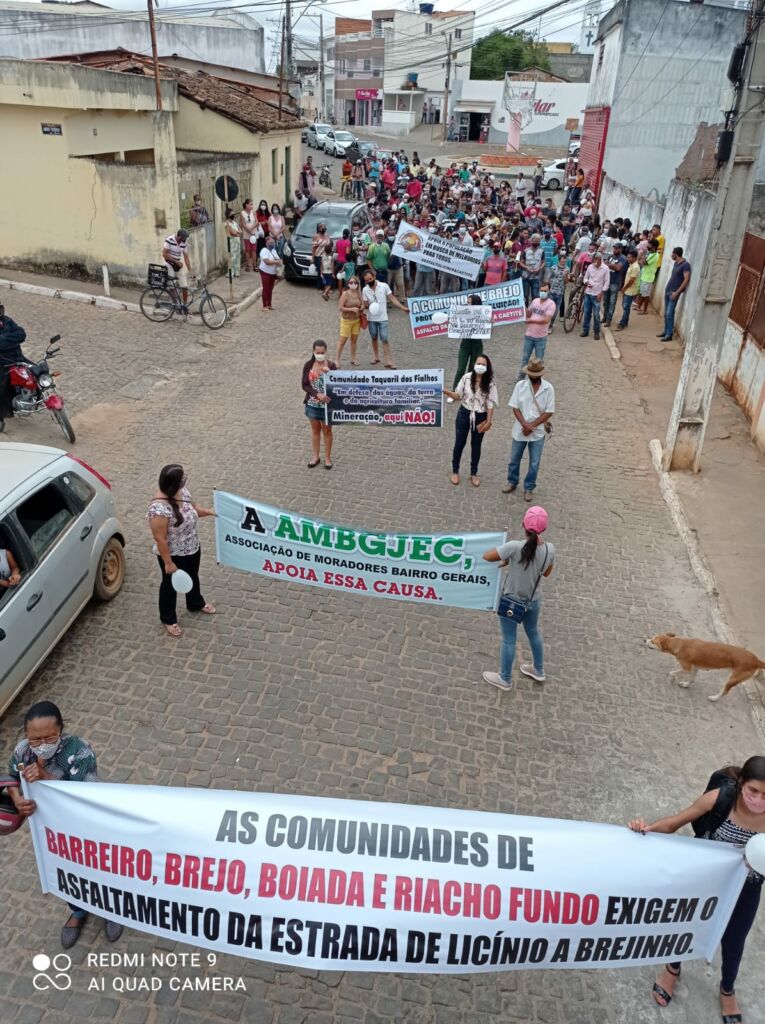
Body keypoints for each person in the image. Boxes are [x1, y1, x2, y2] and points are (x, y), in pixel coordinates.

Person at [628, 756, 765, 1022]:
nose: (758, 800)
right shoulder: (720, 799)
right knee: (685, 925)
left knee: (734, 942)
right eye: (753, 791)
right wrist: (646, 829)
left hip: (746, 888)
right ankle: (672, 968)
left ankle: (727, 990)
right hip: (704, 878)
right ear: (741, 784)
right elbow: (674, 823)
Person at [6, 700, 123, 949]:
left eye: (49, 737)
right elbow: (11, 776)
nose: (42, 745)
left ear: (61, 730)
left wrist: (47, 778)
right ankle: (78, 910)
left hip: (86, 827)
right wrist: (18, 799)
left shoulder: (79, 750)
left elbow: (86, 795)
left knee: (100, 868)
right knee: (66, 870)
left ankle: (112, 911)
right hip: (52, 831)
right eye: (35, 740)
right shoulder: (23, 751)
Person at [481, 506, 555, 691]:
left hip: (511, 601)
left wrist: (507, 559)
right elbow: (546, 573)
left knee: (508, 639)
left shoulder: (514, 547)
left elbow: (487, 556)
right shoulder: (549, 550)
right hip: (533, 601)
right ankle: (538, 669)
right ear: (544, 528)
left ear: (523, 525)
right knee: (533, 632)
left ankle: (505, 678)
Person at [146, 464, 216, 638]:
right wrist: (168, 563)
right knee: (169, 585)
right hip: (174, 554)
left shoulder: (183, 492)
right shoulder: (158, 509)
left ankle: (195, 602)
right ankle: (168, 619)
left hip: (192, 546)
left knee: (193, 575)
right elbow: (160, 538)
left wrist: (208, 512)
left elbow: (193, 509)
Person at [503, 356, 554, 501]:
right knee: (514, 459)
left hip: (537, 433)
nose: (533, 378)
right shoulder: (520, 386)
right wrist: (525, 425)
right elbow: (515, 407)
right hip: (520, 429)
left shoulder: (548, 389)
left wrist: (532, 426)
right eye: (531, 375)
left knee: (534, 462)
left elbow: (549, 411)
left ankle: (529, 487)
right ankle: (512, 481)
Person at [443, 354, 497, 488]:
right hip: (464, 413)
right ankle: (455, 471)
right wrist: (445, 391)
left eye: (483, 364)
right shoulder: (466, 378)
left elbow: (490, 404)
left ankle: (474, 473)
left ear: (487, 367)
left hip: (480, 417)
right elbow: (458, 395)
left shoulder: (490, 383)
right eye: (479, 363)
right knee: (459, 443)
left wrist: (489, 421)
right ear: (474, 364)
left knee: (476, 445)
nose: (480, 366)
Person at [362, 269, 408, 370]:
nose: (369, 281)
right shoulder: (365, 290)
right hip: (371, 318)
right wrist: (369, 304)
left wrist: (402, 307)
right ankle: (376, 356)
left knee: (385, 339)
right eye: (367, 280)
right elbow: (365, 305)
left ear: (374, 276)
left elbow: (392, 298)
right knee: (374, 337)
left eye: (370, 279)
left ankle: (388, 360)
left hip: (383, 318)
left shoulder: (384, 286)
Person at [302, 339, 336, 469]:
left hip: (327, 405)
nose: (320, 354)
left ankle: (327, 458)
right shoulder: (308, 365)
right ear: (313, 351)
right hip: (312, 404)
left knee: (327, 430)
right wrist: (317, 394)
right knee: (315, 430)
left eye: (322, 352)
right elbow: (304, 385)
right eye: (318, 352)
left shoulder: (331, 366)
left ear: (326, 351)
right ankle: (315, 456)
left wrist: (331, 374)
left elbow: (338, 384)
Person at [520, 284, 557, 375]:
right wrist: (523, 306)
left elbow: (546, 320)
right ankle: (520, 378)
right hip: (529, 335)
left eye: (545, 291)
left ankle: (537, 379)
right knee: (525, 358)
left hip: (541, 337)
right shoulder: (535, 301)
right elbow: (529, 313)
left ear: (549, 291)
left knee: (539, 360)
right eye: (541, 290)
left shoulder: (551, 304)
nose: (543, 292)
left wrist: (532, 320)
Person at [0, 304, 26, 425]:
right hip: (3, 364)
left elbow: (22, 334)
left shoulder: (7, 321)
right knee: (2, 388)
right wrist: (12, 340)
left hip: (18, 358)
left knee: (39, 371)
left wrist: (4, 339)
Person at [659, 247, 691, 341]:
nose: (671, 255)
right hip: (668, 290)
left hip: (674, 292)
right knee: (666, 313)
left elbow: (686, 279)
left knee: (669, 313)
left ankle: (669, 334)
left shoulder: (686, 265)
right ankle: (666, 331)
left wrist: (677, 292)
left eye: (672, 254)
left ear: (676, 254)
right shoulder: (676, 263)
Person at [580, 251, 610, 340]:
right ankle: (585, 331)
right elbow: (585, 277)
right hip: (588, 293)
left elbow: (606, 282)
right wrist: (587, 282)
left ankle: (596, 332)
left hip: (597, 294)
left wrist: (601, 293)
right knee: (587, 313)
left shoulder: (605, 269)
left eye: (595, 260)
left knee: (596, 315)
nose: (593, 262)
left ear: (599, 259)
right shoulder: (590, 267)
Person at [336, 275, 362, 366]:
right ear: (348, 284)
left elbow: (362, 304)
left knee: (354, 340)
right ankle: (337, 360)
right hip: (346, 320)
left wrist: (362, 307)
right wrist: (351, 309)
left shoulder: (359, 294)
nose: (353, 284)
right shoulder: (345, 294)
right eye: (351, 283)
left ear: (358, 284)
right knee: (342, 341)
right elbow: (340, 308)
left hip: (356, 320)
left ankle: (353, 358)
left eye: (355, 283)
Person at [162, 228, 191, 305]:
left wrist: (190, 270)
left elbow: (186, 257)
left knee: (184, 286)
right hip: (169, 265)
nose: (183, 241)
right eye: (182, 239)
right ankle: (176, 304)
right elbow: (164, 254)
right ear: (178, 236)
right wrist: (176, 261)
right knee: (171, 286)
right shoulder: (169, 240)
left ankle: (185, 305)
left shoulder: (184, 243)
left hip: (178, 266)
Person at [602, 241, 627, 327]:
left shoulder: (623, 258)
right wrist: (610, 265)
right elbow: (604, 265)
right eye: (614, 248)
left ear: (620, 249)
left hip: (615, 282)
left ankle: (609, 319)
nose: (614, 250)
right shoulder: (611, 256)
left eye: (616, 248)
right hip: (607, 281)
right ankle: (605, 317)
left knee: (612, 302)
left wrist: (608, 264)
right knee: (605, 301)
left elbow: (618, 268)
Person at [615, 250, 640, 331]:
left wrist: (624, 288)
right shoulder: (631, 265)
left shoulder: (635, 267)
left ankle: (622, 323)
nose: (628, 259)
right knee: (625, 306)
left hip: (630, 290)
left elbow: (632, 280)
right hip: (627, 289)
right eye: (627, 257)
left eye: (629, 257)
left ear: (634, 258)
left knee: (626, 307)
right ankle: (625, 322)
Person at [636, 238, 660, 315]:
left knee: (646, 295)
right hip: (644, 276)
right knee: (642, 293)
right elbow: (642, 262)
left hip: (648, 278)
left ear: (653, 246)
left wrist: (643, 256)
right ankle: (639, 306)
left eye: (649, 245)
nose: (647, 246)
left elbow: (645, 263)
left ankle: (645, 310)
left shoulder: (655, 255)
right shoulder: (650, 253)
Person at [259, 235, 281, 310]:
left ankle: (269, 305)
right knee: (266, 288)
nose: (272, 244)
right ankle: (264, 306)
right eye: (270, 242)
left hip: (273, 273)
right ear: (266, 243)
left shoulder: (274, 251)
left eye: (273, 242)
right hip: (265, 272)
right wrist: (276, 261)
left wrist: (279, 262)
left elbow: (279, 260)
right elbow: (267, 262)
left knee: (270, 289)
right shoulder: (264, 250)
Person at [311, 222, 333, 291]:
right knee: (320, 272)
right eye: (321, 227)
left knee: (327, 272)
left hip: (326, 257)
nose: (323, 228)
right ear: (319, 228)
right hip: (318, 257)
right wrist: (312, 258)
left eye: (324, 227)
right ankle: (319, 287)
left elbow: (330, 245)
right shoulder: (316, 237)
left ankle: (326, 287)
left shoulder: (327, 236)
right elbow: (313, 248)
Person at [240, 199, 258, 272]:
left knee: (254, 250)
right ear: (246, 205)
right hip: (246, 234)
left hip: (253, 234)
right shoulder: (242, 213)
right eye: (250, 204)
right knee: (247, 250)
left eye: (252, 204)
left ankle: (254, 264)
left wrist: (252, 229)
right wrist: (248, 230)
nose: (251, 206)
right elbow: (243, 224)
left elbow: (257, 222)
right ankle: (248, 265)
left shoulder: (253, 212)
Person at [224, 208, 242, 278]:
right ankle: (231, 272)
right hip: (232, 243)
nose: (233, 215)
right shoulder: (227, 224)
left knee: (237, 257)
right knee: (232, 258)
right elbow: (232, 233)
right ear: (228, 215)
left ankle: (237, 272)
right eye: (232, 214)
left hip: (237, 242)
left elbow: (240, 231)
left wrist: (237, 232)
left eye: (233, 214)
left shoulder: (235, 223)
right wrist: (237, 232)